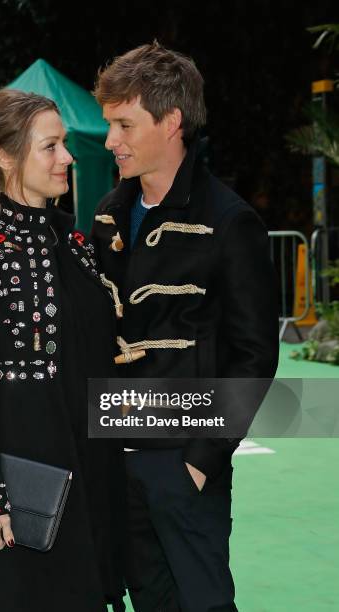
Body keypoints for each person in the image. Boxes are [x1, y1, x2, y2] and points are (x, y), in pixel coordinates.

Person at [91, 42, 280, 612]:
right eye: (109, 125)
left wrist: (201, 458)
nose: (110, 141)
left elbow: (253, 357)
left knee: (202, 603)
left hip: (183, 464)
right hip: (111, 458)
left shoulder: (229, 221)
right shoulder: (107, 215)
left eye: (124, 124)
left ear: (171, 122)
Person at [0, 88, 125, 612]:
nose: (67, 157)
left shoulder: (76, 246)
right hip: (17, 490)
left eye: (64, 144)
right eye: (50, 146)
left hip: (89, 473)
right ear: (5, 157)